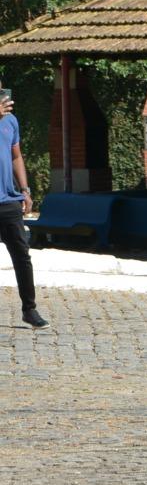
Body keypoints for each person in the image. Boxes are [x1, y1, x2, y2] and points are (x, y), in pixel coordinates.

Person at [0, 90, 47, 328]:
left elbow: (16, 156)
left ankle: (29, 310)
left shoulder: (11, 121)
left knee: (22, 255)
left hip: (8, 200)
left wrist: (25, 189)